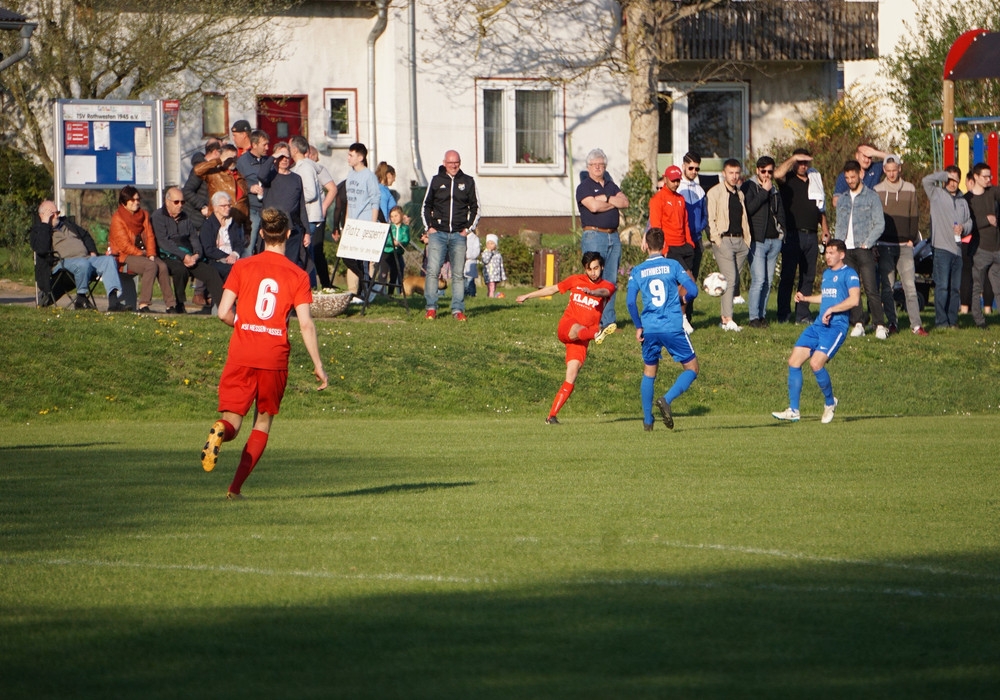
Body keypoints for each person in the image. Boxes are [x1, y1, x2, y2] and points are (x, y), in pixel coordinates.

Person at [200, 207, 328, 499]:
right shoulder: (297, 275)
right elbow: (306, 324)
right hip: (273, 357)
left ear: (261, 234)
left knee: (232, 419)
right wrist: (318, 365)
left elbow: (222, 312)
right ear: (288, 234)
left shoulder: (242, 267)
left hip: (242, 352)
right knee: (263, 421)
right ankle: (234, 489)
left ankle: (219, 429)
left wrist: (245, 325)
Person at [515, 251, 616, 424]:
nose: (593, 272)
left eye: (596, 268)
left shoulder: (608, 285)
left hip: (582, 339)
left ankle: (551, 416)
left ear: (602, 267)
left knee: (572, 374)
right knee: (578, 328)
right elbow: (553, 289)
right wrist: (528, 295)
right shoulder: (575, 280)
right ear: (585, 269)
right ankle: (596, 333)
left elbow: (603, 292)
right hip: (568, 327)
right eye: (589, 269)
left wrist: (591, 293)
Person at [772, 239, 860, 424]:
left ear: (841, 255)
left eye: (831, 253)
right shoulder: (827, 274)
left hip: (836, 327)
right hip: (819, 326)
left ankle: (830, 403)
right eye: (826, 253)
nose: (827, 256)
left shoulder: (849, 274)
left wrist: (832, 310)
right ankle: (794, 410)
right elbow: (826, 297)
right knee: (794, 361)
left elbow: (854, 300)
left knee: (815, 364)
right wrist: (805, 298)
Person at [626, 227, 701, 431]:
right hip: (672, 327)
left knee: (649, 372)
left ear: (646, 246)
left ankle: (648, 422)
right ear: (664, 245)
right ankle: (666, 399)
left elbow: (631, 303)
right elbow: (693, 289)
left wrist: (638, 326)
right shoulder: (673, 265)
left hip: (649, 328)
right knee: (692, 368)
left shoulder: (638, 270)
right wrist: (684, 299)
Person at [31, 200, 128, 311]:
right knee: (83, 264)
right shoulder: (38, 231)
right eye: (52, 213)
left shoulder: (67, 223)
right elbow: (42, 249)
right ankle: (81, 299)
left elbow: (85, 235)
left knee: (109, 260)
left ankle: (114, 302)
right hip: (62, 264)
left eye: (57, 212)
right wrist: (44, 224)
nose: (56, 215)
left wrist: (92, 251)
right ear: (42, 215)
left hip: (85, 259)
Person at [422, 149, 480, 321]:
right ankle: (431, 308)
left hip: (458, 235)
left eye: (456, 162)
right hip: (437, 233)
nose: (454, 165)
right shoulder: (436, 180)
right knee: (432, 271)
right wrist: (429, 228)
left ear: (460, 163)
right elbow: (426, 205)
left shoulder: (468, 181)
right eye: (450, 162)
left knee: (457, 274)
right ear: (444, 163)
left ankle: (457, 310)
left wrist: (467, 229)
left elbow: (476, 208)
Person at [576, 148, 629, 333]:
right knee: (593, 279)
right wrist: (612, 203)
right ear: (588, 167)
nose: (598, 167)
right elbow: (593, 207)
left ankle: (609, 323)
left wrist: (606, 198)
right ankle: (592, 321)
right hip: (594, 236)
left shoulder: (611, 186)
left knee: (610, 281)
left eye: (601, 164)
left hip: (613, 236)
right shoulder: (584, 187)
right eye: (594, 164)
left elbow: (625, 202)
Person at [775, 149, 829, 324]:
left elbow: (821, 209)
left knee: (808, 276)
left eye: (806, 162)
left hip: (811, 235)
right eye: (800, 162)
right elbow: (777, 174)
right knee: (788, 276)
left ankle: (803, 314)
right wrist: (793, 158)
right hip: (792, 235)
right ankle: (783, 314)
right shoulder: (788, 179)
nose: (803, 165)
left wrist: (825, 230)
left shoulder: (815, 180)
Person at [873, 155, 925, 335]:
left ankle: (916, 325)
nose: (892, 173)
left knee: (909, 286)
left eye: (895, 170)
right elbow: (874, 216)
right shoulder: (877, 189)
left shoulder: (910, 189)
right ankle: (892, 322)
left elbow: (914, 215)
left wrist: (911, 238)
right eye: (888, 171)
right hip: (884, 244)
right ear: (884, 171)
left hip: (905, 245)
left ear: (899, 169)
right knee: (887, 287)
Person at [151, 187, 224, 313]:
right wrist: (183, 256)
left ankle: (224, 306)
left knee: (211, 272)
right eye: (176, 202)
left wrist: (196, 254)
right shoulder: (158, 216)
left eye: (182, 202)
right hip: (168, 255)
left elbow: (194, 237)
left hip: (189, 254)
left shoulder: (185, 217)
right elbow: (163, 242)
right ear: (167, 202)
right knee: (180, 270)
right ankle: (179, 304)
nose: (180, 205)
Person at [835, 159, 887, 339]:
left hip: (864, 248)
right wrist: (838, 248)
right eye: (847, 177)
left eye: (853, 176)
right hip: (847, 250)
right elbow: (839, 225)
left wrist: (867, 243)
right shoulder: (842, 199)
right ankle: (858, 323)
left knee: (871, 288)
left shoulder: (871, 197)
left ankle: (879, 324)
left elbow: (879, 224)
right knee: (852, 290)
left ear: (860, 175)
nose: (850, 180)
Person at [107, 185, 178, 313]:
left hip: (145, 253)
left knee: (162, 266)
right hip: (125, 256)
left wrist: (151, 253)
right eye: (133, 200)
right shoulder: (117, 218)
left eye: (138, 199)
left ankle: (170, 305)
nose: (136, 202)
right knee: (150, 266)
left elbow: (150, 236)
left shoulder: (144, 215)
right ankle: (143, 304)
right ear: (124, 201)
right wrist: (142, 254)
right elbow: (124, 246)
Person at [923, 167, 972, 330]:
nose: (952, 183)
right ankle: (941, 321)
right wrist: (943, 175)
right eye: (949, 180)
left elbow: (969, 221)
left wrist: (964, 228)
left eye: (955, 180)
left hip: (958, 250)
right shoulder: (936, 194)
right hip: (942, 248)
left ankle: (953, 320)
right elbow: (926, 180)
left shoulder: (962, 201)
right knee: (942, 286)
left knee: (954, 288)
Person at [648, 164, 695, 331]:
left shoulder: (681, 199)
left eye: (678, 180)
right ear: (665, 179)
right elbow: (656, 227)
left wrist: (690, 243)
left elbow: (686, 223)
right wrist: (664, 249)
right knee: (689, 281)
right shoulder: (657, 199)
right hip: (671, 248)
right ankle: (681, 319)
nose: (676, 183)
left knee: (677, 286)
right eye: (673, 180)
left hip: (684, 246)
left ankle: (672, 318)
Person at [706, 158, 751, 331]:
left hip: (741, 241)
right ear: (724, 173)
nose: (734, 176)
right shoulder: (715, 192)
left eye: (737, 173)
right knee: (730, 279)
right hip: (724, 240)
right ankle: (727, 320)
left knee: (733, 280)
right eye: (730, 173)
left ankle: (725, 318)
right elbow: (710, 218)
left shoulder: (739, 194)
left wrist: (747, 242)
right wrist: (717, 240)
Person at [741, 156, 786, 328]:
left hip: (774, 240)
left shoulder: (774, 189)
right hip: (757, 241)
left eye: (770, 171)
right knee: (759, 280)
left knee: (768, 281)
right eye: (763, 171)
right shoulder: (749, 187)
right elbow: (749, 209)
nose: (767, 175)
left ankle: (762, 315)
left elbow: (780, 211)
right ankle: (753, 317)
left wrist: (783, 232)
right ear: (757, 171)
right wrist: (764, 192)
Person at [262, 142, 310, 270]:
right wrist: (274, 156)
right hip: (273, 229)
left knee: (291, 264)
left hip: (293, 228)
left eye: (287, 157)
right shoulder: (270, 176)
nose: (284, 160)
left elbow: (301, 206)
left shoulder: (296, 178)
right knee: (273, 264)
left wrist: (307, 232)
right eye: (281, 157)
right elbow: (261, 175)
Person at [964, 162, 1000, 329]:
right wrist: (987, 220)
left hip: (997, 248)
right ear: (976, 177)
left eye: (990, 176)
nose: (988, 179)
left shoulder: (993, 192)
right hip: (980, 249)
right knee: (976, 285)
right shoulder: (968, 199)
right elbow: (967, 224)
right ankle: (979, 321)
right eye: (985, 176)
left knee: (998, 287)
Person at [194, 142, 251, 244]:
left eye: (234, 158)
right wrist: (219, 161)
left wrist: (247, 229)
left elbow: (245, 205)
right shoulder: (215, 174)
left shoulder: (240, 177)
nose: (232, 161)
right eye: (229, 158)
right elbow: (197, 170)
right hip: (219, 223)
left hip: (237, 224)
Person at [677, 152, 708, 326]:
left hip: (696, 240)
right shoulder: (678, 188)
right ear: (683, 166)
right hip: (681, 242)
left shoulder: (700, 190)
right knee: (683, 280)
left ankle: (688, 316)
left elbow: (704, 215)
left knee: (693, 278)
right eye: (691, 168)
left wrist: (701, 229)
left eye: (697, 168)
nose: (694, 171)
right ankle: (679, 317)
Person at [289, 136, 325, 287]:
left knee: (305, 254)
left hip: (309, 216)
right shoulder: (299, 167)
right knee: (305, 253)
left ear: (295, 150)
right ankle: (308, 287)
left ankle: (310, 288)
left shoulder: (305, 168)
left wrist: (294, 199)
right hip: (307, 216)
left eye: (290, 148)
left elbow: (310, 193)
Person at [236, 129, 275, 257]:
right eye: (264, 145)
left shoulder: (269, 161)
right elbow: (235, 182)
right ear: (254, 145)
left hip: (268, 209)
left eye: (268, 144)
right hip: (252, 209)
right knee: (248, 247)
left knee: (268, 247)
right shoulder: (242, 162)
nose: (267, 148)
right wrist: (249, 188)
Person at [308, 146, 337, 289]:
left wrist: (324, 207)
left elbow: (332, 189)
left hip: (317, 215)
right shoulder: (298, 169)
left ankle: (325, 283)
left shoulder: (318, 169)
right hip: (305, 215)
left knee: (316, 249)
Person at [199, 191, 245, 281]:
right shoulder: (208, 225)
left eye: (229, 205)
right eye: (223, 206)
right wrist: (226, 256)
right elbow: (208, 249)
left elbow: (239, 243)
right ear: (215, 208)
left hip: (234, 258)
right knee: (231, 271)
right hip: (215, 260)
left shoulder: (232, 223)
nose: (227, 208)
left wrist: (234, 254)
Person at [376, 205, 410, 291]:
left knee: (395, 273)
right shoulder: (389, 227)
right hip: (387, 253)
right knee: (383, 273)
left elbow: (406, 239)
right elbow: (385, 240)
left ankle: (391, 292)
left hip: (397, 254)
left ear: (401, 215)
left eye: (396, 216)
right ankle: (380, 291)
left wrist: (401, 243)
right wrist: (392, 243)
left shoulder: (405, 228)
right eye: (391, 216)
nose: (394, 218)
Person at [481, 234, 507, 298]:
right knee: (491, 287)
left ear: (495, 245)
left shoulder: (498, 254)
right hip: (489, 274)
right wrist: (489, 252)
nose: (489, 245)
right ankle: (491, 297)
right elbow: (485, 260)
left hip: (496, 275)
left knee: (493, 287)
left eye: (492, 243)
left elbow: (501, 265)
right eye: (488, 243)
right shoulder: (485, 252)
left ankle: (489, 296)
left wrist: (503, 276)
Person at [464, 230, 480, 298]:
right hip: (463, 262)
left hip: (470, 261)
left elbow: (476, 251)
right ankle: (465, 294)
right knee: (463, 281)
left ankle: (472, 294)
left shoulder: (475, 238)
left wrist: (468, 256)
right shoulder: (461, 237)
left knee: (470, 280)